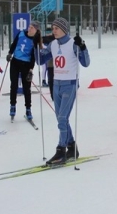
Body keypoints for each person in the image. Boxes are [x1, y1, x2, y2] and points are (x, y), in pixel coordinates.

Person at [38, 18, 90, 165]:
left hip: (70, 84)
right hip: (56, 84)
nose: (54, 30)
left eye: (57, 28)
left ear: (64, 29)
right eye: (53, 28)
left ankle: (61, 150)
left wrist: (83, 47)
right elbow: (40, 60)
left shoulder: (73, 44)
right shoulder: (53, 44)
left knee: (62, 119)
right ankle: (72, 147)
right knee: (61, 119)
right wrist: (35, 45)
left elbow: (86, 63)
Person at [7, 20, 41, 120]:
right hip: (15, 62)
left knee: (27, 88)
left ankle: (28, 108)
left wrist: (31, 69)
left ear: (36, 30)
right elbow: (14, 44)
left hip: (26, 64)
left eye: (32, 28)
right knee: (14, 85)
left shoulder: (36, 40)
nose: (29, 29)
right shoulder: (21, 33)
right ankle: (12, 106)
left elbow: (34, 56)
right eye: (29, 27)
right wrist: (10, 53)